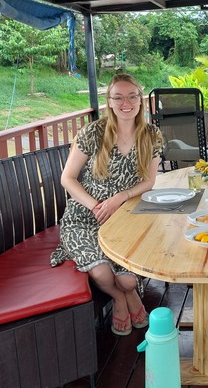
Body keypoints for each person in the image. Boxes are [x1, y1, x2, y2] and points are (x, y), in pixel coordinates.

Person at [51, 73, 163, 336]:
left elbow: (149, 182)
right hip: (84, 216)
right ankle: (122, 298)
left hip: (125, 215)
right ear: (109, 102)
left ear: (140, 99)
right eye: (119, 97)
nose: (126, 103)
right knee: (102, 273)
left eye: (132, 96)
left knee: (126, 277)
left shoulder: (152, 134)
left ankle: (126, 290)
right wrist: (96, 206)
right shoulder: (94, 132)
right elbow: (67, 178)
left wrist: (119, 198)